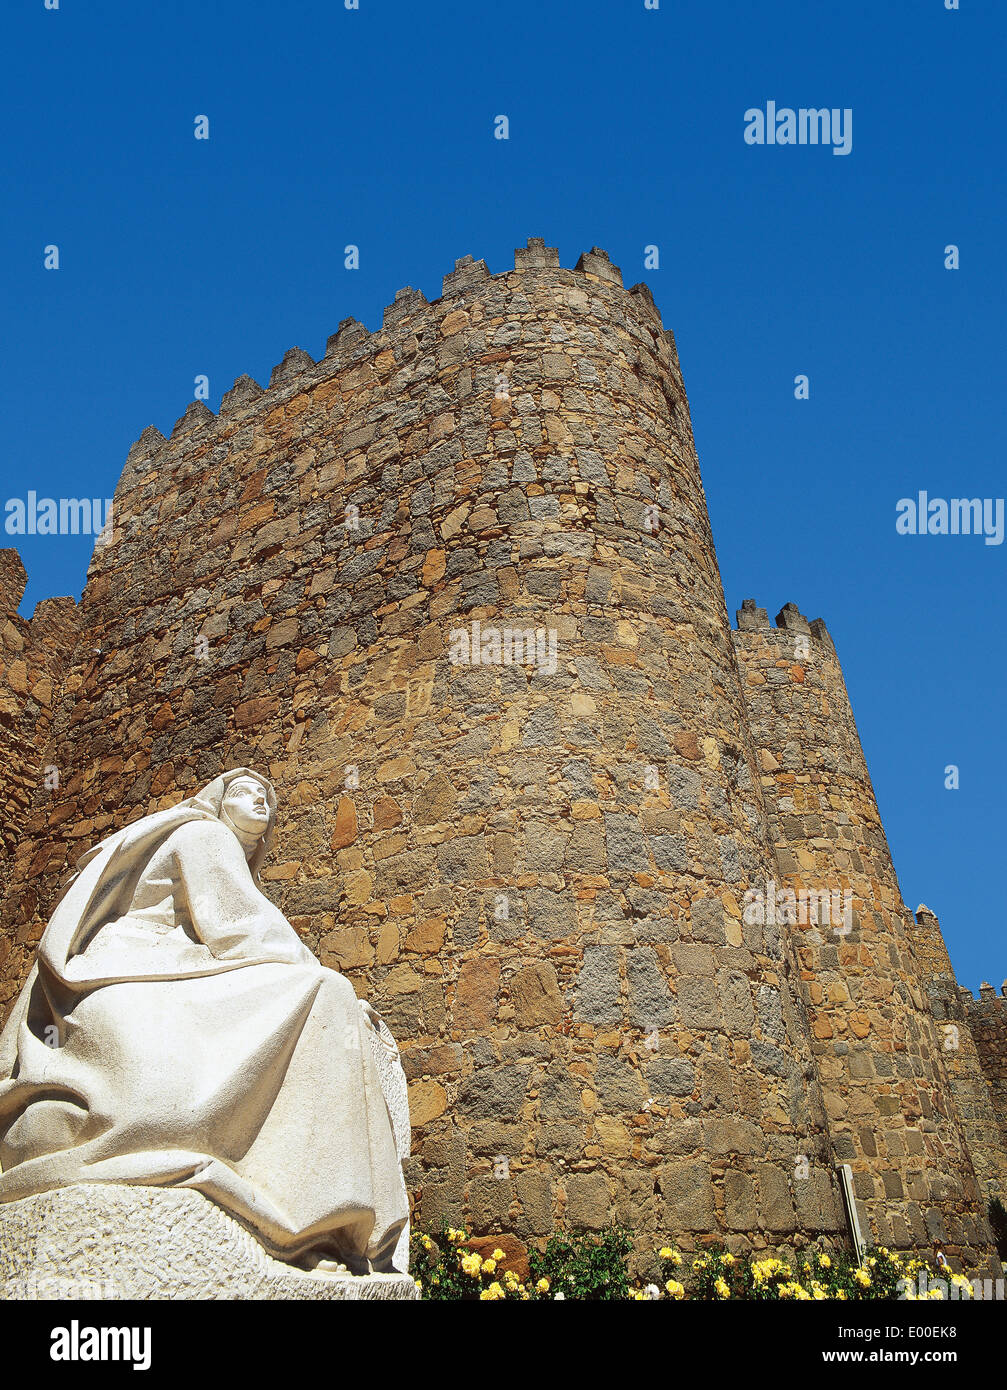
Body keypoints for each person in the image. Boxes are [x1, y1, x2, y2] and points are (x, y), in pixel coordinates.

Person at [0, 769, 409, 1272]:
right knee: (328, 992)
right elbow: (239, 928)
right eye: (244, 792)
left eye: (266, 796)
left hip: (154, 971)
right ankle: (318, 1209)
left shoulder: (210, 845)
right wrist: (311, 969)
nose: (259, 800)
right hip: (144, 968)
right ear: (218, 802)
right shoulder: (204, 832)